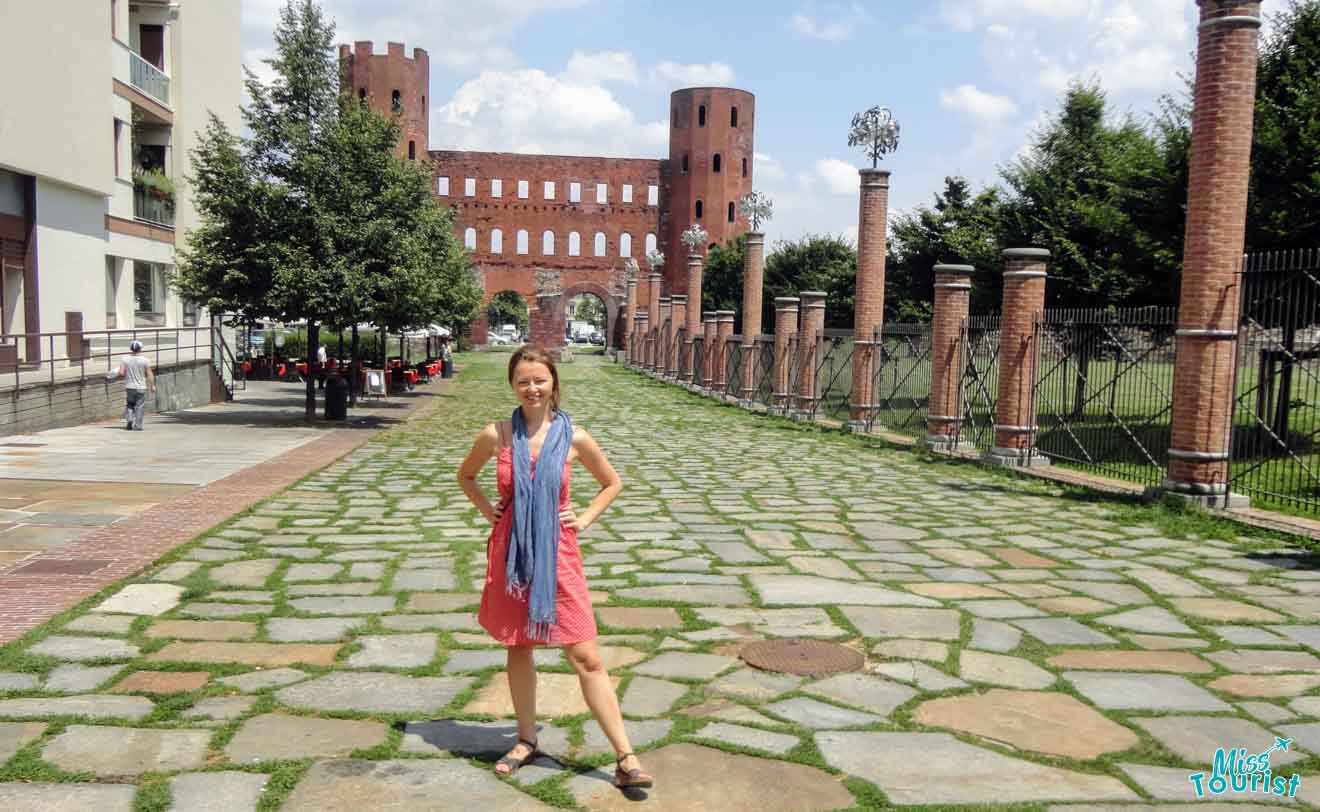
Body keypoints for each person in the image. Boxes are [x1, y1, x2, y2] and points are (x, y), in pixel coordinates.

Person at [457, 345, 653, 789]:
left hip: (559, 555)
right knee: (519, 646)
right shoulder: (497, 435)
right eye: (523, 380)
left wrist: (582, 517)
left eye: (539, 380)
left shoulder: (575, 437)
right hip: (512, 557)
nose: (532, 388)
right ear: (512, 384)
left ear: (553, 384)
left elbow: (612, 482)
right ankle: (526, 739)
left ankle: (625, 757)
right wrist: (489, 510)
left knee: (586, 655)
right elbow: (465, 475)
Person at [106, 340, 155, 430]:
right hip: (141, 387)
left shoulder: (124, 359)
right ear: (140, 349)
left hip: (129, 386)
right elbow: (149, 374)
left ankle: (129, 420)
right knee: (139, 406)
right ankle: (138, 425)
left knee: (130, 404)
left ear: (131, 349)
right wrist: (152, 385)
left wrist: (117, 374)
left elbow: (121, 373)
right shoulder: (145, 360)